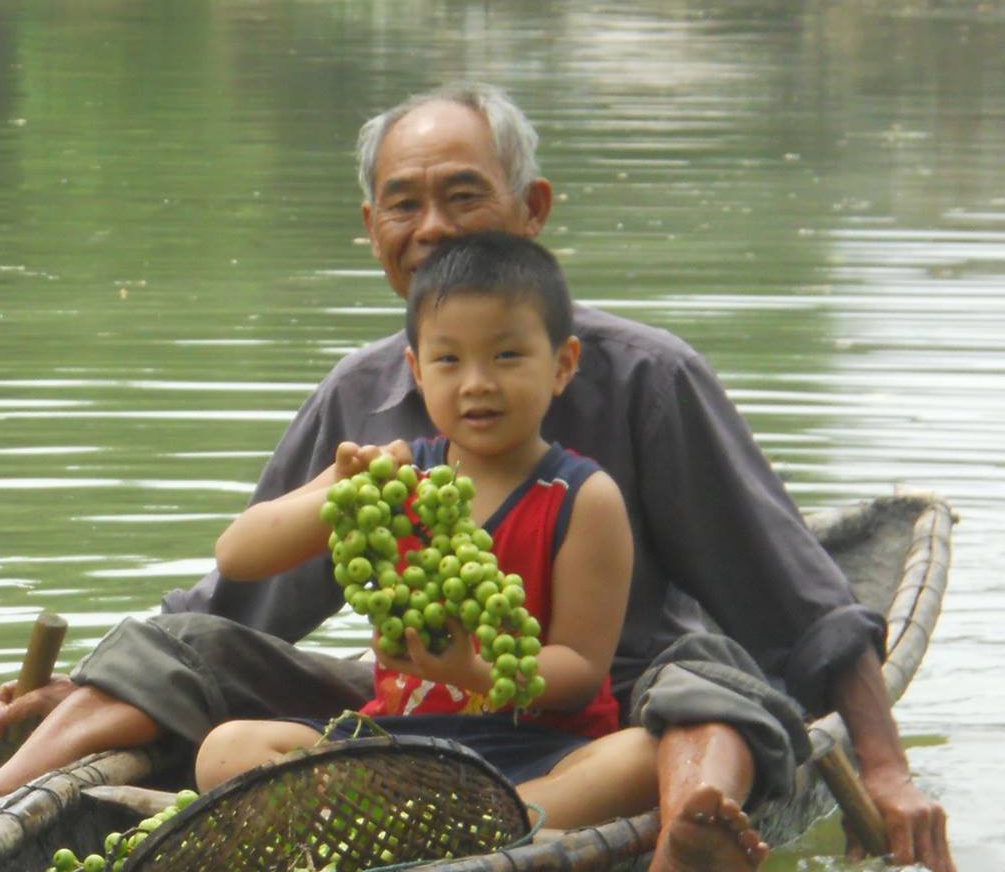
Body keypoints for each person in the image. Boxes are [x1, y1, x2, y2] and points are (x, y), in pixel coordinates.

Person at [0, 83, 953, 872]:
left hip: (617, 691)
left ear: (530, 210)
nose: (430, 229)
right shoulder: (364, 400)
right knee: (179, 664)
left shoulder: (640, 378)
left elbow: (794, 598)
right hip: (415, 701)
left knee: (715, 693)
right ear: (370, 233)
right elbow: (238, 595)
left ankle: (687, 849)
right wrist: (97, 688)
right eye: (401, 205)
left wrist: (883, 764)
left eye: (463, 197)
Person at [197, 231, 660, 835]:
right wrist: (340, 486)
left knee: (642, 759)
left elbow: (577, 673)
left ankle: (455, 823)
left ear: (562, 365)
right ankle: (459, 827)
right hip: (400, 747)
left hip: (538, 749)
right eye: (449, 360)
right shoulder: (395, 479)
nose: (476, 383)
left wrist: (470, 671)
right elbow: (237, 554)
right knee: (225, 749)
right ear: (415, 371)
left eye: (506, 356)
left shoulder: (583, 498)